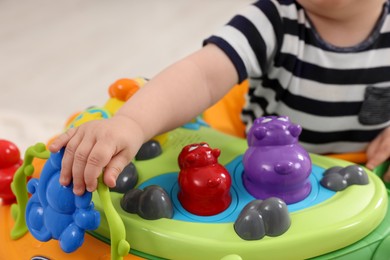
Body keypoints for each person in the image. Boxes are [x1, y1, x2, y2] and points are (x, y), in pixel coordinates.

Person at [49, 0, 390, 196]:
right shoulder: (274, 19)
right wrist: (131, 122)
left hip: (372, 169)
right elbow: (202, 76)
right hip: (274, 179)